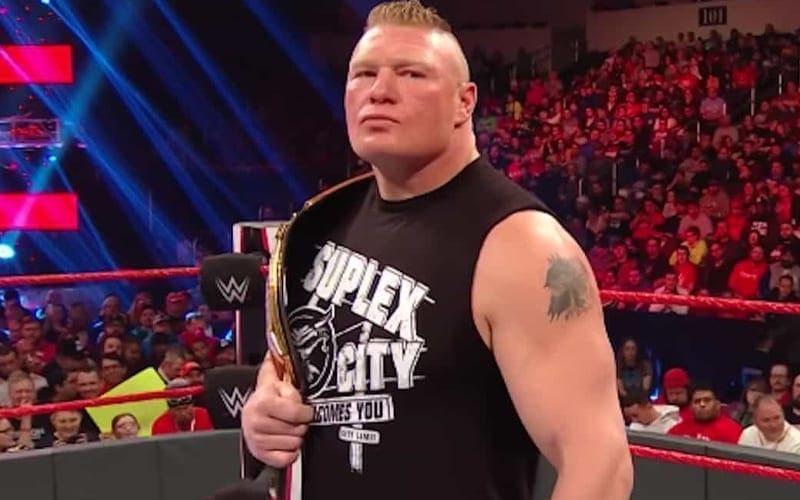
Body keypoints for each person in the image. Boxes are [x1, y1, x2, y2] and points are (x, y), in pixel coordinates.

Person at [241, 2, 633, 500]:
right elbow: (288, 360)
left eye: (411, 74)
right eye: (363, 74)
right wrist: (265, 407)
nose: (380, 91)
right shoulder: (318, 225)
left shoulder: (521, 246)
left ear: (464, 103)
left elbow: (600, 465)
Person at [668, 382, 743, 444]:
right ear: (691, 407)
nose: (702, 404)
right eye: (697, 401)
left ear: (718, 404)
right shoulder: (678, 430)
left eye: (707, 400)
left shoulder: (733, 430)